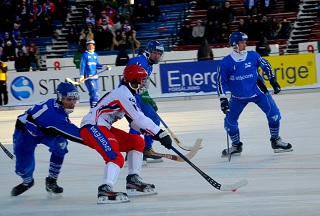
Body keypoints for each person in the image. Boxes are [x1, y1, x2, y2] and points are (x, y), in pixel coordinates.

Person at [79, 64, 172, 204]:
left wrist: (150, 133)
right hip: (92, 127)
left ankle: (133, 180)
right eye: (142, 80)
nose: (144, 84)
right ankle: (105, 188)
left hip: (102, 126)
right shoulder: (123, 94)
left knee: (137, 142)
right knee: (115, 157)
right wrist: (160, 133)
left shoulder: (127, 94)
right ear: (133, 80)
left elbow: (134, 122)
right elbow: (139, 118)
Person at [217, 32, 293, 157]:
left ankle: (276, 140)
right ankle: (236, 146)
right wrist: (223, 99)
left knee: (274, 114)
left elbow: (266, 65)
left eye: (245, 42)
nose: (245, 45)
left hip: (258, 92)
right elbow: (221, 82)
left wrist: (272, 80)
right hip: (238, 97)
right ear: (234, 45)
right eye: (242, 42)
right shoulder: (225, 63)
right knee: (229, 123)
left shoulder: (253, 55)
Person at [11, 82, 84, 197]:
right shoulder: (53, 116)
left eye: (75, 99)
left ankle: (51, 180)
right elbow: (78, 135)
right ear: (60, 98)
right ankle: (27, 181)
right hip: (26, 132)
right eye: (69, 99)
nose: (73, 103)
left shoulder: (60, 108)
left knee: (61, 145)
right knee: (23, 167)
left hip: (45, 130)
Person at [125, 40, 164, 164]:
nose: (157, 56)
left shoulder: (150, 64)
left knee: (154, 119)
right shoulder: (138, 62)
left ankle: (147, 149)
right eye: (154, 53)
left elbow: (142, 84)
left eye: (159, 53)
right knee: (137, 124)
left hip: (139, 95)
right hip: (129, 96)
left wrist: (147, 97)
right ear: (148, 51)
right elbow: (130, 81)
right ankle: (131, 153)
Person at [79, 39, 108, 108]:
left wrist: (104, 67)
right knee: (94, 94)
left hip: (95, 77)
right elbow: (82, 66)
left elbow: (97, 65)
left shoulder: (95, 54)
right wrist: (82, 76)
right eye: (89, 45)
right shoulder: (85, 55)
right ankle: (93, 110)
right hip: (89, 78)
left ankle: (94, 110)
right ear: (87, 46)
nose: (91, 46)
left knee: (96, 94)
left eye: (92, 45)